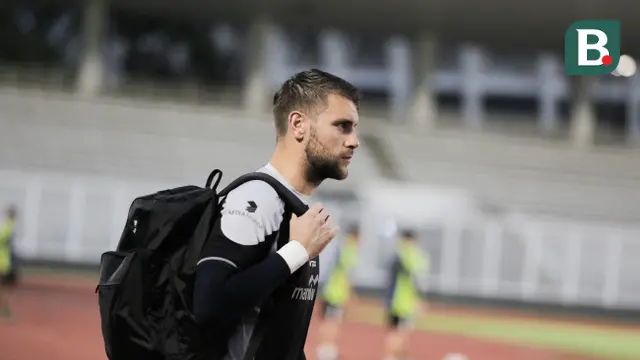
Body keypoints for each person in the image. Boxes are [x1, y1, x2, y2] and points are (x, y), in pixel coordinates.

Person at [192, 69, 361, 360]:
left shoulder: (294, 206)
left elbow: (281, 331)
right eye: (342, 126)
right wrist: (297, 251)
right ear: (298, 124)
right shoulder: (258, 197)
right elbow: (207, 306)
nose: (354, 140)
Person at [382, 229, 430, 360]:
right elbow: (417, 281)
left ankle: (392, 356)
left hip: (394, 300)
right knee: (401, 333)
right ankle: (392, 356)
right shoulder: (415, 256)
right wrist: (420, 300)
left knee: (394, 331)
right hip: (405, 302)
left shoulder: (397, 255)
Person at [315, 225, 360, 360]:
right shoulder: (350, 249)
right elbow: (348, 275)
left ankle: (324, 348)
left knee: (328, 321)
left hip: (330, 290)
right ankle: (326, 348)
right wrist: (351, 294)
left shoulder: (340, 246)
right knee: (332, 322)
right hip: (337, 293)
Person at [0, 205, 17, 320]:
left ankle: (5, 310)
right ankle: (5, 310)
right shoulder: (7, 226)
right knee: (7, 287)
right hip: (5, 263)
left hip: (6, 262)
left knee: (7, 287)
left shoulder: (7, 226)